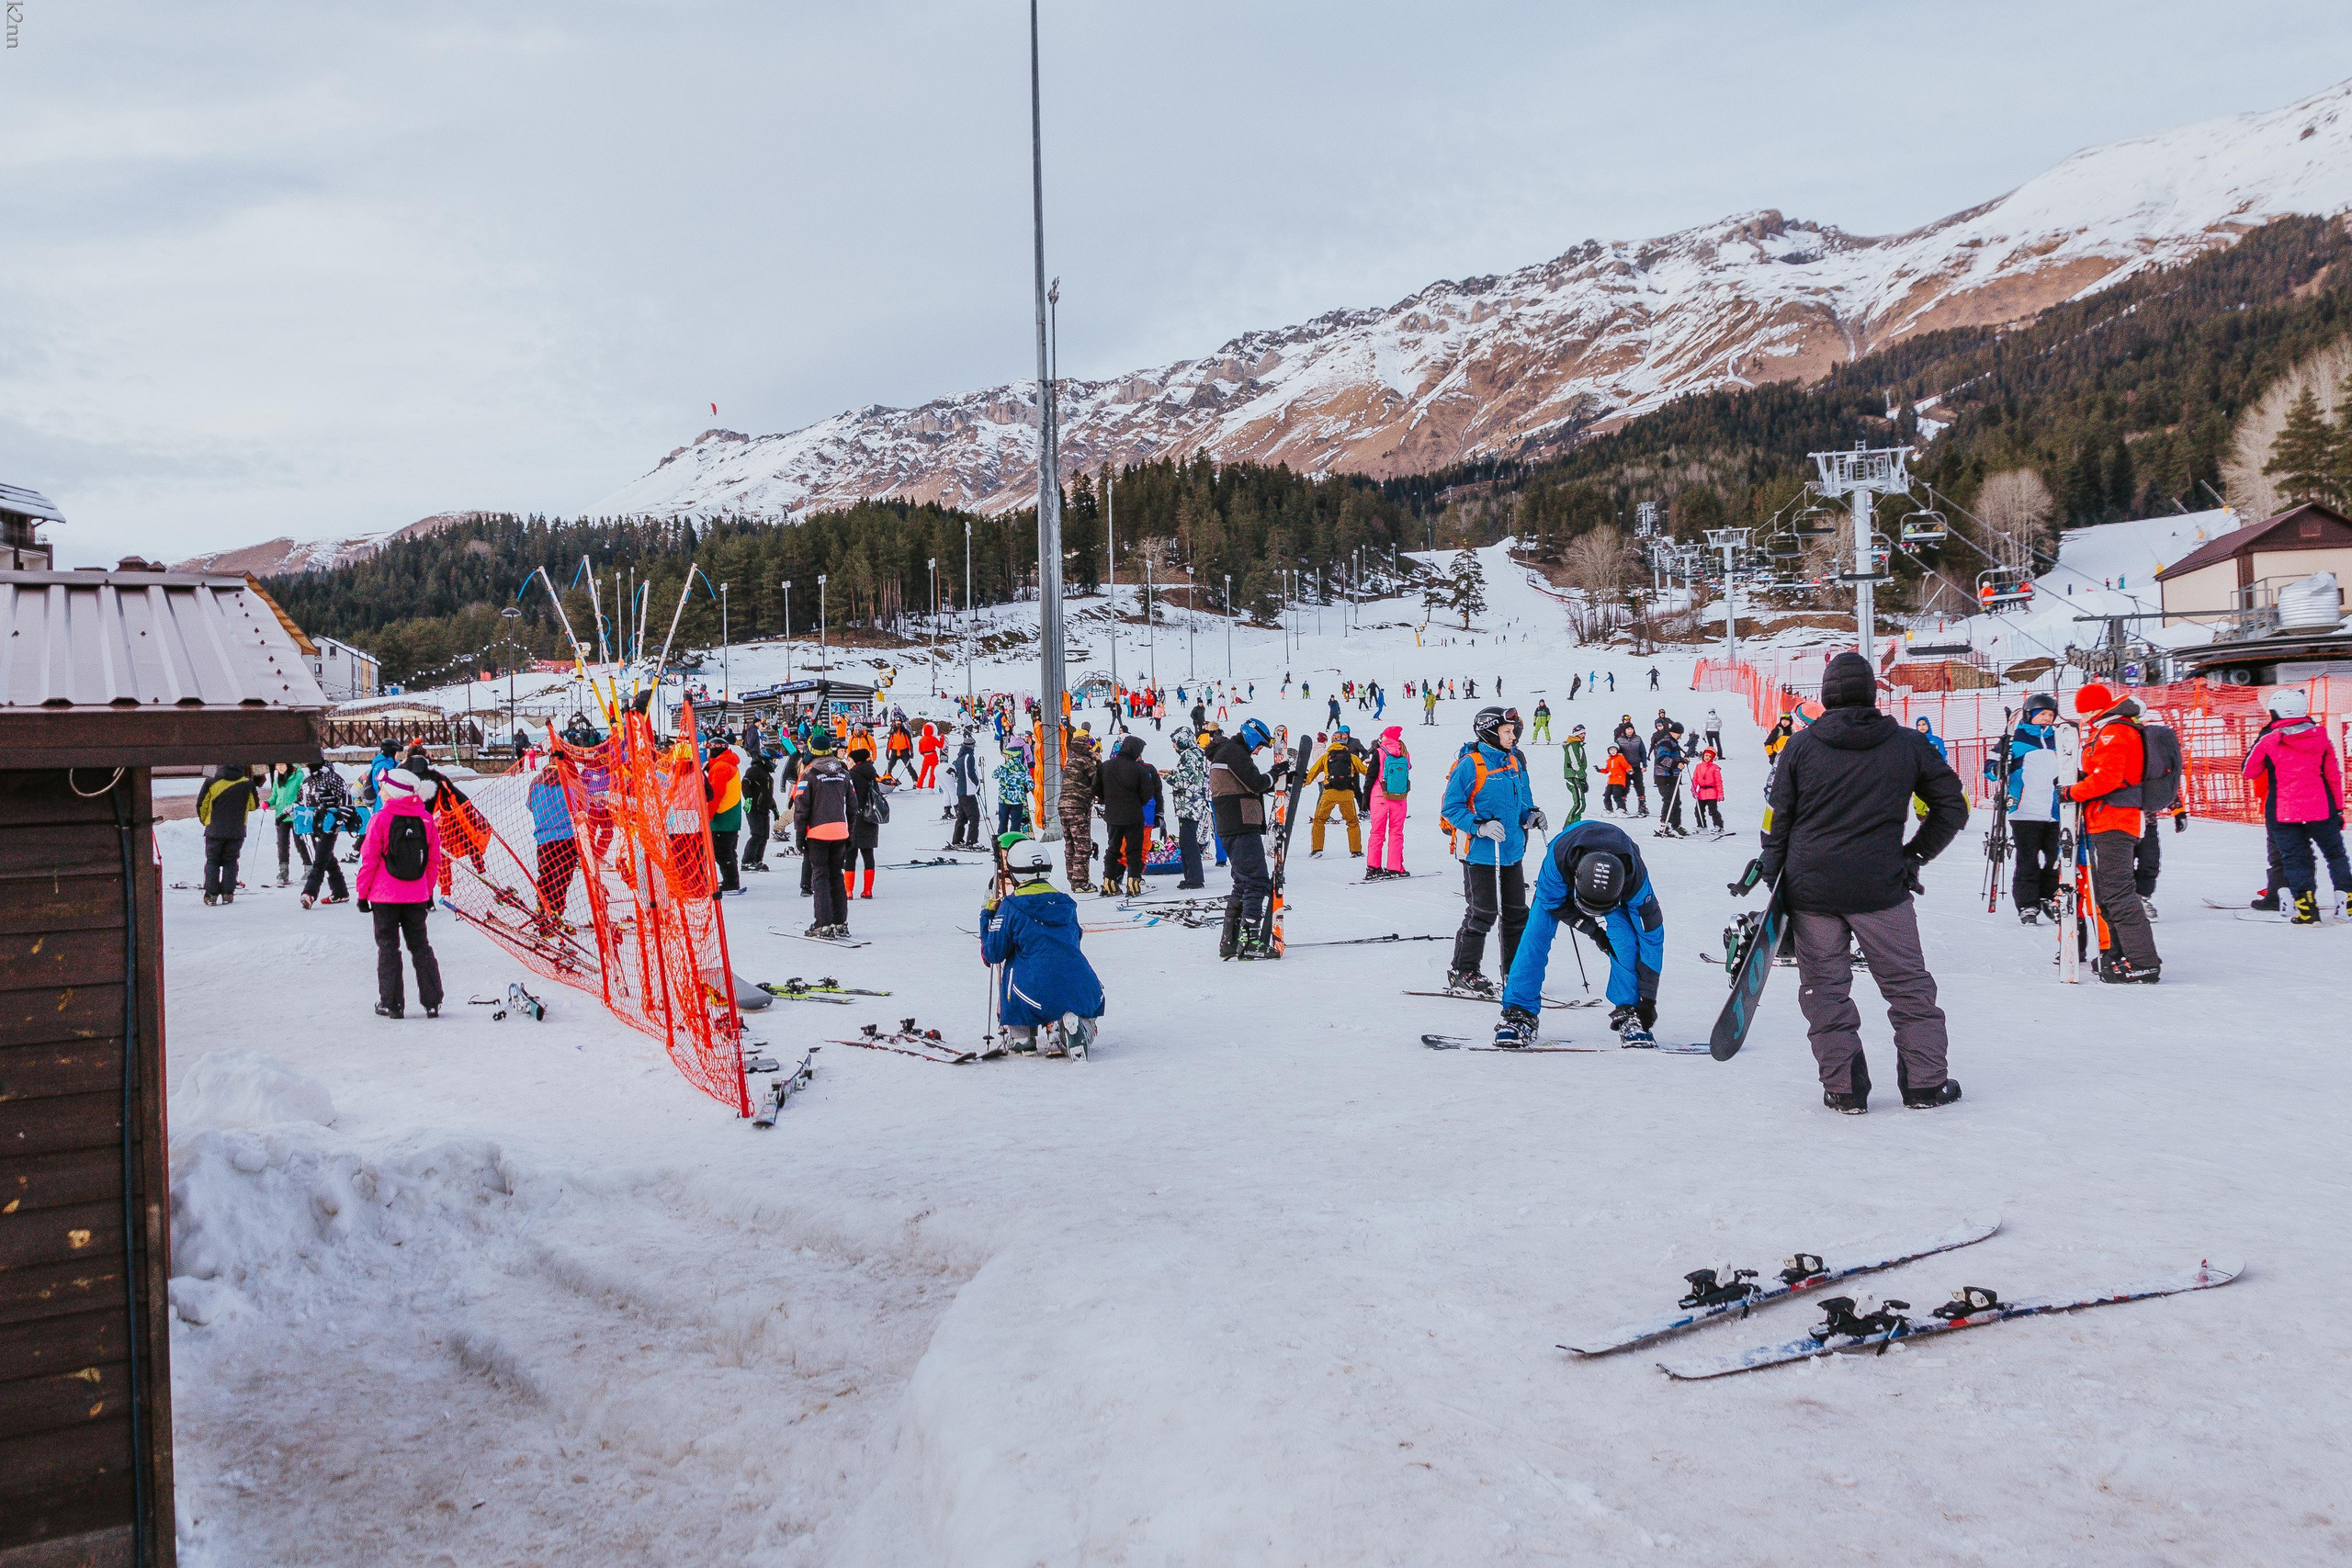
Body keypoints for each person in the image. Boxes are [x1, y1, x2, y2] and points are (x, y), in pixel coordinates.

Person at [1758, 649, 1968, 1112]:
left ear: (1826, 698)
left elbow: (1777, 820)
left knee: (1825, 991)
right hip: (1881, 889)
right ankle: (1926, 1085)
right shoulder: (1909, 745)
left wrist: (1775, 884)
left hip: (1812, 891)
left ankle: (1844, 1090)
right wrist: (1914, 856)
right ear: (1873, 694)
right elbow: (1953, 807)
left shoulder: (1799, 747)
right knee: (1909, 987)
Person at [1495, 819, 1663, 1048]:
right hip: (1565, 867)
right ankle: (1519, 1012)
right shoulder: (1557, 861)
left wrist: (1648, 999)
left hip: (1613, 868)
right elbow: (1552, 902)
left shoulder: (1636, 882)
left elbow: (1651, 938)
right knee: (1535, 937)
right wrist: (1594, 931)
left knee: (1624, 939)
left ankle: (1629, 1011)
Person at [1439, 706, 1542, 999]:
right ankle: (1464, 971)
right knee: (1483, 912)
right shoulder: (1470, 764)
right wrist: (1479, 827)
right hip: (1480, 853)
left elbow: (1519, 802)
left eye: (1513, 731)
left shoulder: (1512, 762)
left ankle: (1514, 971)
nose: (1513, 736)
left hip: (1510, 851)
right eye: (1506, 732)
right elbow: (1451, 807)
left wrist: (1530, 815)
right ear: (1490, 732)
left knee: (1516, 913)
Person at [2065, 684, 2159, 983]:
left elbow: (2109, 776)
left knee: (2117, 892)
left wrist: (2072, 791)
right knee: (2107, 893)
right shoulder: (2113, 728)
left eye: (2087, 712)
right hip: (2107, 819)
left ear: (2098, 708)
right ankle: (2118, 954)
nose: (2085, 718)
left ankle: (2142, 962)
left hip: (2115, 820)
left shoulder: (2113, 731)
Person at [981, 835, 1105, 1056]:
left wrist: (987, 916)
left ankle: (1022, 1037)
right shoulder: (1066, 903)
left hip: (1033, 990)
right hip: (1082, 984)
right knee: (1055, 959)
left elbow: (993, 953)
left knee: (1017, 963)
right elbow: (1075, 938)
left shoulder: (1011, 906)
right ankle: (1075, 1029)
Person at [2242, 688, 2350, 925]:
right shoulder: (2321, 736)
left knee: (2294, 858)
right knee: (2335, 855)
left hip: (2284, 809)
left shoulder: (2270, 738)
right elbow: (2333, 775)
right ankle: (2346, 905)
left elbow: (2249, 770)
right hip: (2322, 806)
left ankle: (2307, 910)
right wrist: (2339, 809)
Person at [356, 767, 445, 1020]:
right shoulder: (426, 820)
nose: (381, 792)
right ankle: (432, 1001)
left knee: (388, 947)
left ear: (393, 792)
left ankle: (392, 1003)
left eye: (383, 788)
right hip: (416, 894)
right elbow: (433, 861)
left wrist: (363, 894)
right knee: (420, 946)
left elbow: (369, 860)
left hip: (384, 897)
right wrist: (427, 891)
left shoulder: (380, 820)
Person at [1208, 717, 1291, 960]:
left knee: (1243, 883)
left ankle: (1230, 940)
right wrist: (1276, 773)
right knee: (1256, 882)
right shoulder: (1234, 752)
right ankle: (1249, 940)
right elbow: (1256, 783)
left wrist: (1279, 777)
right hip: (1240, 825)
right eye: (1260, 746)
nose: (1257, 751)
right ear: (1252, 737)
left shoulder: (1226, 752)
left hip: (1233, 825)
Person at [2002, 696, 2064, 923]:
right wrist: (2000, 766)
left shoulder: (2059, 738)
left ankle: (2049, 896)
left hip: (2055, 810)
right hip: (2024, 810)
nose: (2046, 718)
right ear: (2029, 715)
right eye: (2041, 714)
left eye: (2050, 714)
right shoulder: (2015, 738)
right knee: (2028, 859)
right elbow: (1990, 768)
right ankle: (2027, 904)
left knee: (2054, 858)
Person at [794, 731, 855, 938]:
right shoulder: (844, 773)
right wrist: (850, 833)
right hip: (840, 830)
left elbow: (801, 809)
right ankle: (840, 922)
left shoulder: (809, 774)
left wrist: (800, 837)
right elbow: (853, 806)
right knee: (836, 876)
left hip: (818, 832)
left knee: (819, 877)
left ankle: (823, 923)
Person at [1095, 734, 1162, 897]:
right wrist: (1135, 801)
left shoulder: (1106, 766)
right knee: (1134, 851)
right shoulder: (1139, 769)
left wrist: (1107, 799)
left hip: (1112, 815)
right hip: (1133, 815)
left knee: (1113, 849)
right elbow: (1148, 793)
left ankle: (1109, 883)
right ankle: (1133, 885)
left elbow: (1095, 789)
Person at [196, 765, 263, 906]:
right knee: (231, 861)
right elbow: (253, 805)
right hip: (237, 830)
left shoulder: (211, 782)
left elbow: (202, 805)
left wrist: (206, 821)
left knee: (212, 861)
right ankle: (228, 893)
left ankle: (211, 894)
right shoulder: (247, 783)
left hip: (214, 830)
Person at [526, 759, 580, 930]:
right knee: (562, 875)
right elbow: (576, 807)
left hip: (543, 837)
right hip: (566, 837)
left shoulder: (536, 783)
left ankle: (542, 906)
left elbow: (530, 805)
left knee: (545, 873)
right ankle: (556, 910)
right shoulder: (568, 781)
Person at [1304, 727, 1367, 858]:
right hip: (1347, 794)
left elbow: (1312, 773)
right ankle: (1356, 851)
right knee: (1352, 822)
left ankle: (1317, 849)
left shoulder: (1326, 756)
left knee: (1319, 820)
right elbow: (1364, 770)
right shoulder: (1352, 757)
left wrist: (1302, 784)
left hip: (1329, 793)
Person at [299, 762, 354, 908]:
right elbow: (299, 801)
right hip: (313, 826)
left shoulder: (334, 778)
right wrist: (286, 813)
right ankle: (340, 892)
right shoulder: (307, 781)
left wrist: (340, 819)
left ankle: (309, 893)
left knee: (320, 860)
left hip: (330, 826)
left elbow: (347, 801)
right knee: (327, 858)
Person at [1364, 725, 1410, 880]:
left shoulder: (1379, 752)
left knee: (1377, 832)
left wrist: (1364, 799)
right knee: (1396, 833)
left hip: (1380, 797)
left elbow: (1371, 775)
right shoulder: (1405, 753)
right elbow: (1408, 768)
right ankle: (1395, 867)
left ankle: (1373, 867)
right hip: (1399, 798)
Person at [1058, 730, 1102, 891]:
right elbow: (1097, 780)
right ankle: (1081, 882)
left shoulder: (1071, 761)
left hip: (1063, 807)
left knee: (1070, 845)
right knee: (1082, 845)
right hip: (1077, 807)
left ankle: (1072, 878)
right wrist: (1098, 762)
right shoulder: (1085, 762)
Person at [1170, 728, 1213, 888]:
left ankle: (1194, 878)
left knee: (1188, 843)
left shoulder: (1188, 755)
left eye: (1176, 742)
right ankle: (1192, 877)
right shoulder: (1198, 753)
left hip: (1188, 804)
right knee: (1189, 841)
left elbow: (1183, 779)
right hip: (1195, 802)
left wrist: (1168, 776)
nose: (1174, 746)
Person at [706, 739, 744, 897]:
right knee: (728, 850)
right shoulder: (728, 764)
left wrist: (708, 814)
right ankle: (732, 879)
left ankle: (731, 882)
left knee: (721, 851)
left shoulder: (721, 767)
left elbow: (716, 793)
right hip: (731, 815)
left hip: (722, 816)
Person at [846, 742, 883, 900]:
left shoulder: (852, 775)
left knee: (850, 854)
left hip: (854, 818)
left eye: (849, 760)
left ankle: (848, 891)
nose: (847, 762)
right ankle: (867, 890)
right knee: (868, 854)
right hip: (871, 817)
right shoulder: (872, 774)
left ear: (856, 761)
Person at [267, 762, 311, 886]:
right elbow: (275, 796)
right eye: (277, 766)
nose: (279, 768)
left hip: (296, 815)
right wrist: (267, 803)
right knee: (282, 844)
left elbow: (303, 797)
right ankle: (283, 872)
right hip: (281, 816)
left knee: (300, 842)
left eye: (282, 765)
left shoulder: (299, 777)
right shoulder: (278, 779)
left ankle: (309, 868)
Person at [741, 746, 780, 871]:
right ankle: (746, 862)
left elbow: (768, 794)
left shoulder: (768, 776)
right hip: (754, 809)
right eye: (774, 760)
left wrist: (774, 808)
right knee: (757, 834)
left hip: (764, 810)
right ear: (766, 760)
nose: (775, 764)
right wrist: (748, 798)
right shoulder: (754, 770)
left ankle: (757, 860)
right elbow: (745, 782)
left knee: (764, 836)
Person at [949, 728, 983, 850]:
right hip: (969, 792)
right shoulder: (969, 756)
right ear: (972, 746)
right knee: (974, 817)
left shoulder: (960, 757)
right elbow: (971, 773)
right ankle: (972, 841)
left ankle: (957, 839)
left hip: (961, 792)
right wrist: (977, 785)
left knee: (962, 817)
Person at [1651, 725, 1687, 838]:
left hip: (1672, 777)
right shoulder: (1666, 742)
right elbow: (1661, 758)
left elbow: (1673, 757)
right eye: (1679, 735)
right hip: (1664, 776)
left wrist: (1681, 761)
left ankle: (1675, 825)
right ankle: (1664, 826)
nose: (1680, 737)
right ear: (1674, 732)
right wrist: (1677, 764)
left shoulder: (1672, 742)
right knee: (1669, 801)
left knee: (1676, 802)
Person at [994, 747, 1032, 840]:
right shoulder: (1023, 769)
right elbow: (1030, 785)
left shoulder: (1002, 767)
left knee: (1003, 822)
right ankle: (1013, 843)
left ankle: (1001, 844)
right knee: (1016, 823)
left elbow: (994, 775)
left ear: (1010, 756)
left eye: (1006, 755)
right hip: (1018, 800)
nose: (1005, 757)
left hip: (1004, 799)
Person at [1617, 724, 1649, 817]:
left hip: (1636, 766)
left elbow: (1643, 751)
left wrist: (1644, 764)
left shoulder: (1638, 739)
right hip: (1625, 768)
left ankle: (1642, 805)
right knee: (1625, 786)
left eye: (1631, 729)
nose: (1630, 731)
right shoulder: (1620, 740)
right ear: (1624, 730)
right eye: (1628, 729)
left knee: (1639, 786)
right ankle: (1622, 806)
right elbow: (1617, 753)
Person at [1690, 748, 1724, 832]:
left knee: (1713, 810)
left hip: (1712, 792)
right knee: (1698, 810)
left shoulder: (1715, 768)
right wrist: (1693, 790)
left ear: (1712, 758)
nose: (1707, 757)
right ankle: (1701, 825)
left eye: (1710, 756)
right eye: (1706, 755)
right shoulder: (1698, 767)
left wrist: (1720, 794)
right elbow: (1695, 779)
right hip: (1701, 793)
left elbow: (1718, 782)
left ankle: (1718, 826)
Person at [1561, 724, 1589, 824]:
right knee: (1579, 804)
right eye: (1581, 733)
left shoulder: (1578, 745)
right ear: (1576, 734)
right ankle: (1569, 825)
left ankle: (1576, 823)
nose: (1583, 735)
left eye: (1584, 733)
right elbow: (1575, 762)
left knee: (1582, 803)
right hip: (1573, 776)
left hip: (1576, 776)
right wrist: (1582, 777)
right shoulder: (1572, 745)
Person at [1600, 747, 1630, 814]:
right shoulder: (1609, 760)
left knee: (1617, 795)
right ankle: (1609, 809)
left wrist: (1629, 770)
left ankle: (1622, 809)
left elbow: (1626, 765)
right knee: (1606, 795)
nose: (1613, 751)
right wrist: (1600, 770)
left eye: (1614, 750)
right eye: (1611, 750)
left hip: (1619, 780)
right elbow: (1607, 770)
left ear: (1617, 750)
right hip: (1611, 780)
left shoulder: (1620, 758)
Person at [916, 722, 943, 790]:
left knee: (923, 773)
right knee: (933, 773)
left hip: (926, 757)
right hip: (933, 756)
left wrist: (925, 754)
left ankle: (918, 787)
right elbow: (940, 746)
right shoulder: (933, 738)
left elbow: (920, 751)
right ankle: (930, 788)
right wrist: (942, 738)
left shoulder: (921, 740)